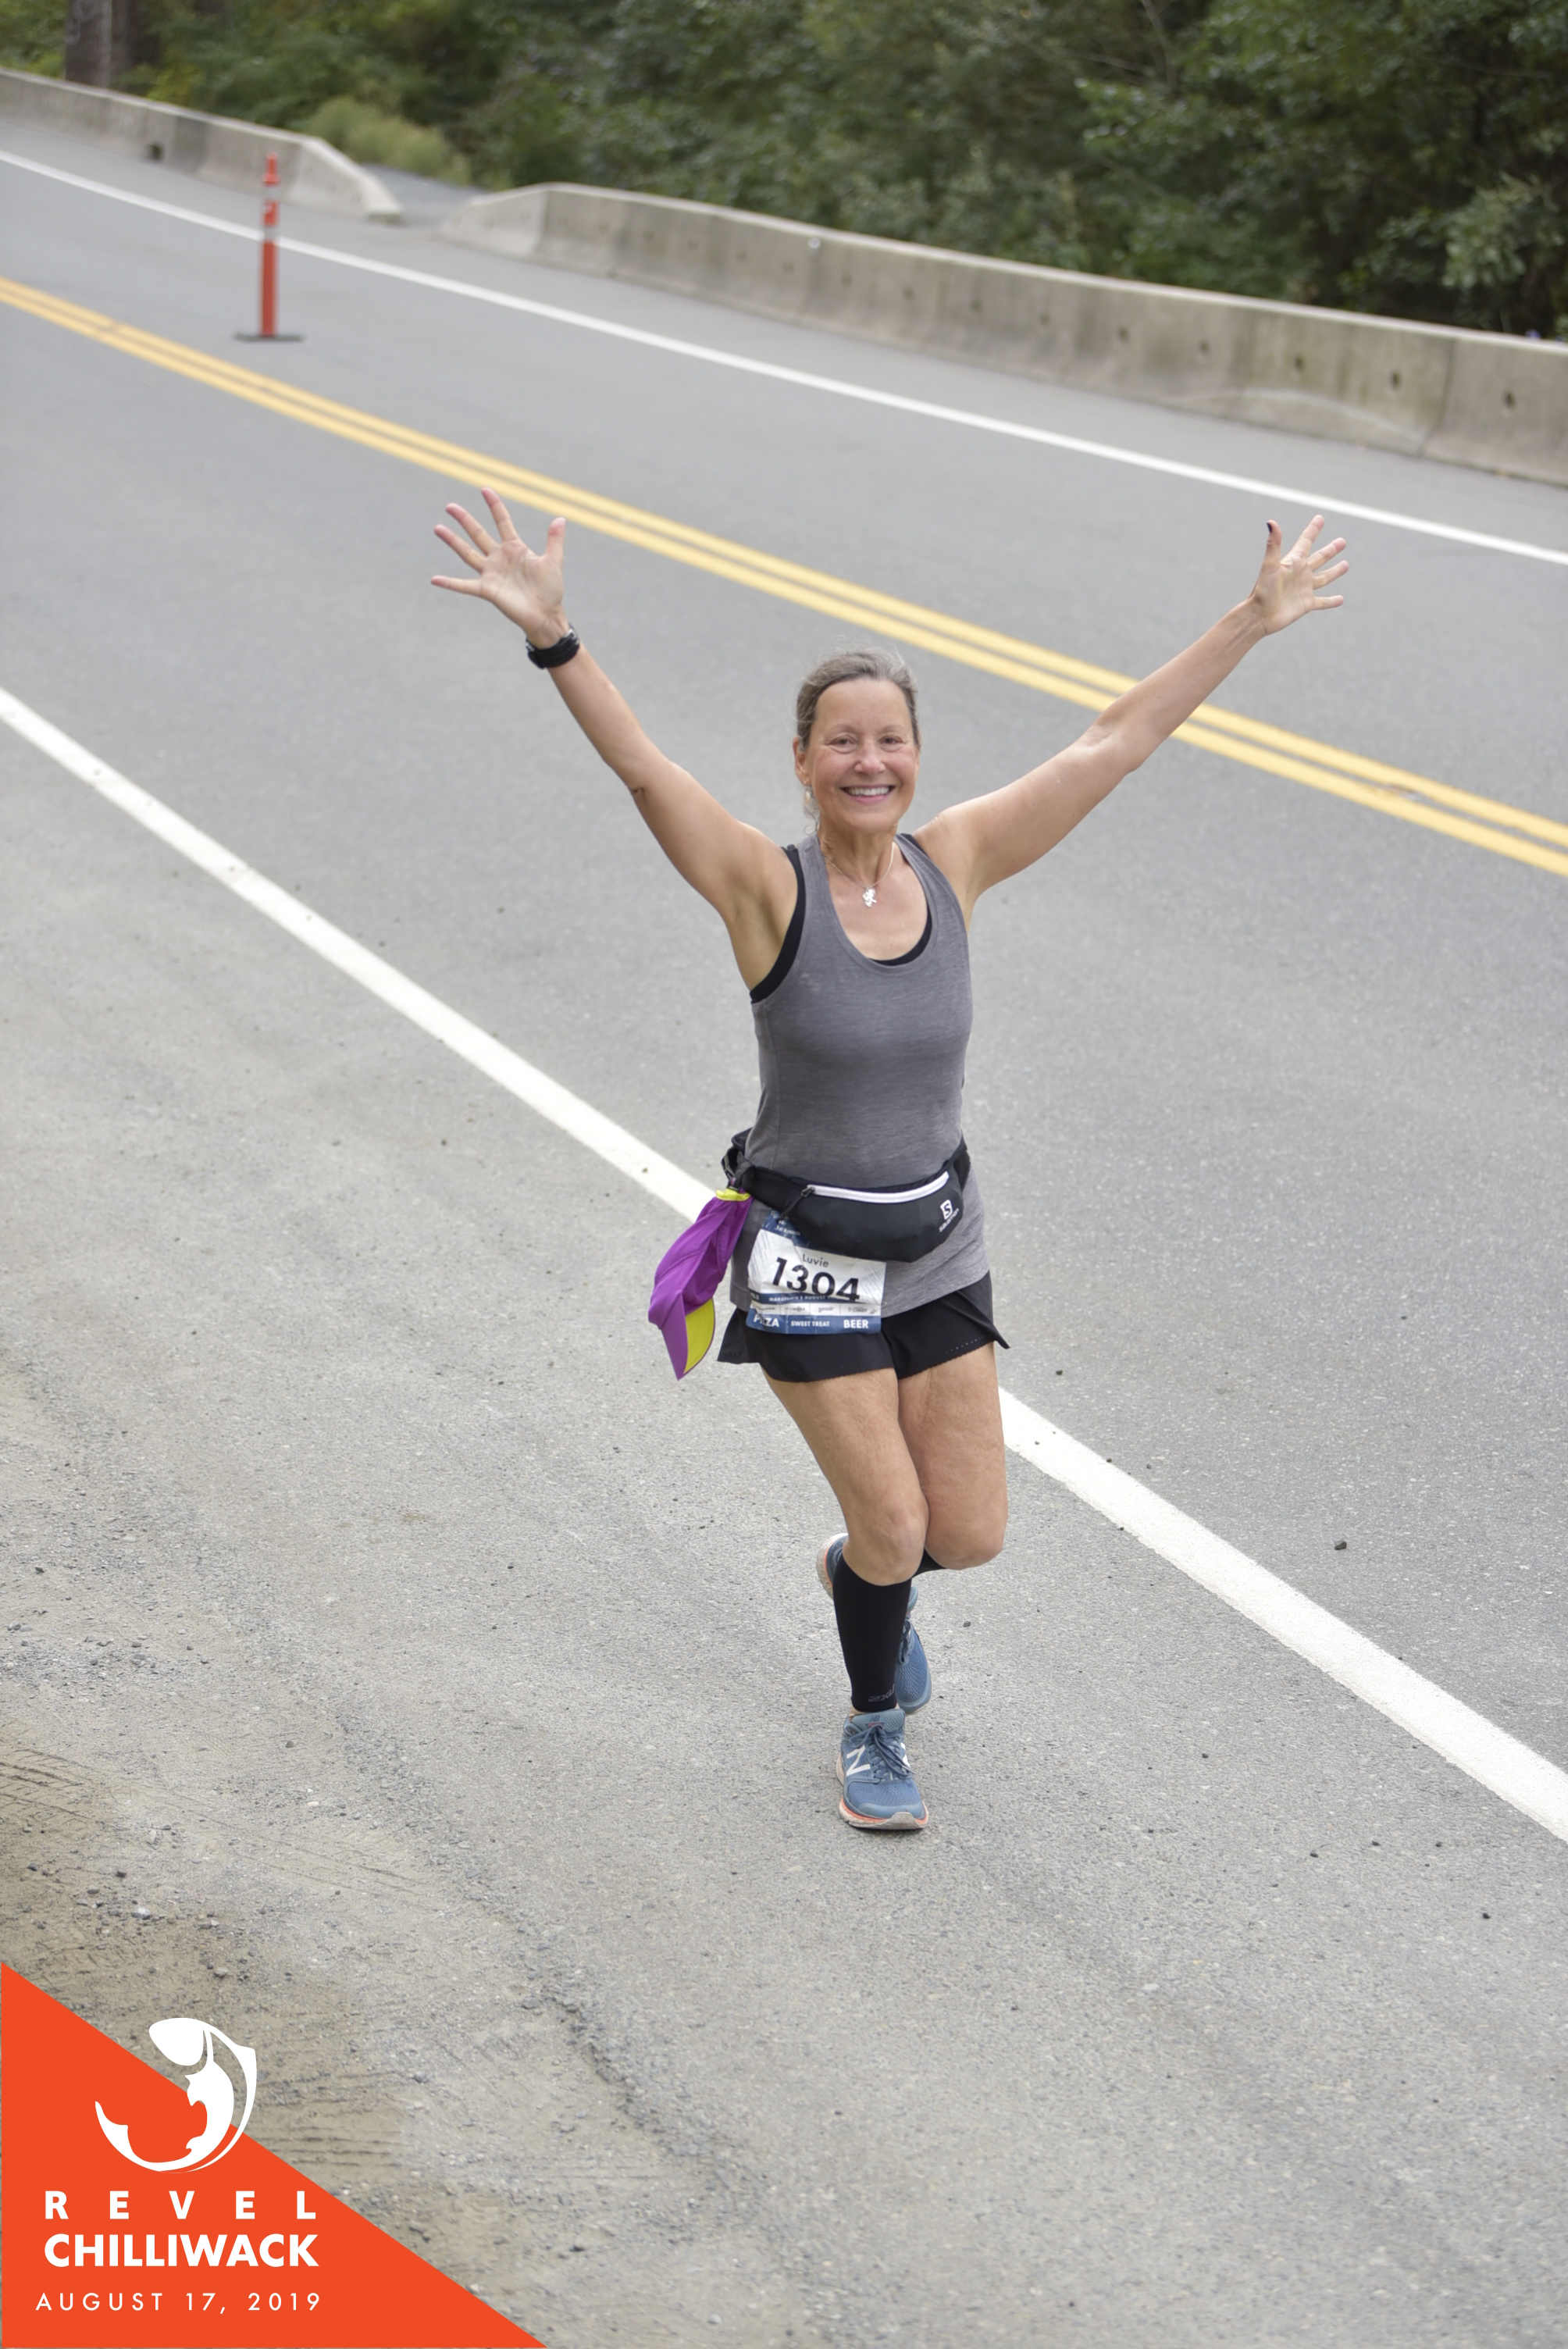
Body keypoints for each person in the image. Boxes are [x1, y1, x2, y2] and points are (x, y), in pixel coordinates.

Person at [432, 492, 1348, 1831]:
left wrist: (1249, 623)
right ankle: (872, 1720)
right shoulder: (765, 890)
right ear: (804, 762)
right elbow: (645, 773)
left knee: (963, 1534)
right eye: (843, 741)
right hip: (807, 1258)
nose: (870, 761)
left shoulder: (957, 861)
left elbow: (1113, 742)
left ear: (915, 757)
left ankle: (862, 1574)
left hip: (935, 1246)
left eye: (891, 740)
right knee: (894, 1529)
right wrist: (554, 638)